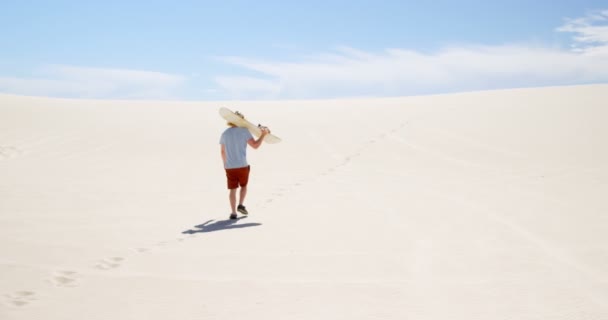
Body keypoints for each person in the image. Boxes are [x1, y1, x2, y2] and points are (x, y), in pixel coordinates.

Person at [220, 112, 269, 219]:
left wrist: (225, 165)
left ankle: (233, 213)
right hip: (242, 165)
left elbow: (223, 152)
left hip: (229, 166)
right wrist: (263, 135)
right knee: (243, 186)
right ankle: (241, 205)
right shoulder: (244, 131)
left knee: (232, 190)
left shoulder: (225, 134)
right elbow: (255, 146)